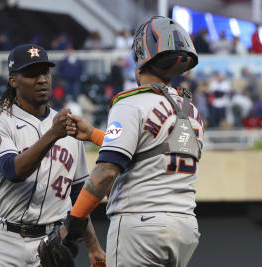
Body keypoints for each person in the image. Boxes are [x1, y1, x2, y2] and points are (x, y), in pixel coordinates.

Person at [40, 16, 204, 267]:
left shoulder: (130, 103)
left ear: (139, 65)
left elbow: (106, 172)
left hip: (141, 225)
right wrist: (94, 134)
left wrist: (71, 225)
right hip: (185, 228)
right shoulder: (190, 110)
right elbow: (148, 151)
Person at [0, 43, 105, 267]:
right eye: (31, 74)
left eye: (45, 72)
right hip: (6, 241)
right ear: (13, 81)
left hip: (52, 241)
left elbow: (77, 195)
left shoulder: (67, 126)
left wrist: (94, 247)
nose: (41, 79)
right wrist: (53, 134)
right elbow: (13, 171)